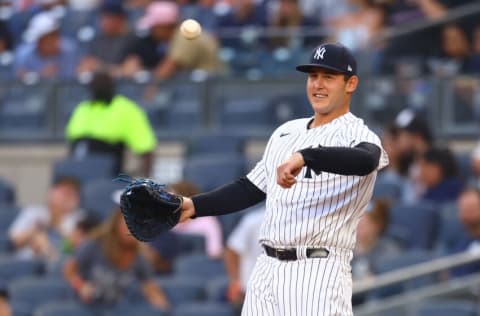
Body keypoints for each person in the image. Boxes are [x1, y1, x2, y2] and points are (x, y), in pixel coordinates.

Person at [176, 42, 389, 315]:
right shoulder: (286, 132)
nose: (318, 84)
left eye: (329, 77)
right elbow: (250, 188)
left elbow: (367, 160)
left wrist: (307, 156)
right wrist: (195, 207)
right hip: (266, 267)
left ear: (351, 84)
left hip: (317, 270)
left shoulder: (358, 134)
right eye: (313, 76)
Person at [63, 210, 170, 312]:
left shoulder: (138, 257)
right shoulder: (95, 244)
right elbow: (69, 270)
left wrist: (164, 308)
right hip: (86, 306)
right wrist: (81, 286)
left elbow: (150, 286)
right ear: (116, 224)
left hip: (115, 308)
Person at [65, 71, 157, 176]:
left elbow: (146, 149)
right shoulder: (83, 108)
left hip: (109, 178)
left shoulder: (126, 109)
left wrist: (146, 183)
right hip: (79, 175)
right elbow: (72, 148)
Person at [121, 1, 225, 80]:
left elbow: (168, 68)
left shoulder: (185, 35)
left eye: (154, 27)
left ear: (165, 26)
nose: (152, 31)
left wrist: (149, 92)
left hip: (213, 89)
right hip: (206, 89)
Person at [8, 177, 83, 262]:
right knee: (39, 237)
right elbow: (15, 239)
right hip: (27, 261)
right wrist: (36, 230)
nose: (68, 197)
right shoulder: (34, 211)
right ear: (51, 192)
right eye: (64, 192)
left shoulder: (80, 217)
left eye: (73, 194)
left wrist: (57, 223)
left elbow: (75, 245)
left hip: (60, 262)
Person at [14, 11, 80, 79]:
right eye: (39, 40)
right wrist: (40, 76)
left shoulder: (69, 50)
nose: (39, 43)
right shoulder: (23, 55)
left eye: (53, 36)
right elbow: (19, 81)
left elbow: (73, 78)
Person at [224, 206, 265, 313]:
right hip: (250, 285)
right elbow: (232, 250)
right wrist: (235, 280)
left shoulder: (300, 220)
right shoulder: (253, 220)